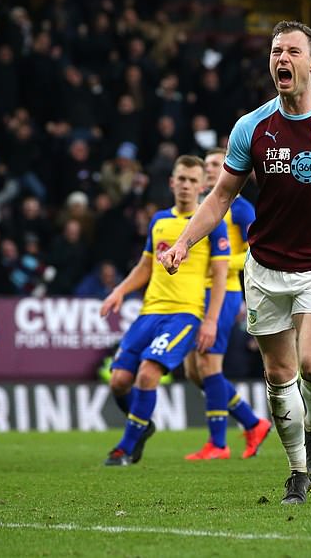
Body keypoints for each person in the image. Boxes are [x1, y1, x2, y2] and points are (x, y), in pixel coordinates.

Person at [159, 21, 311, 504]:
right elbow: (222, 194)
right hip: (265, 268)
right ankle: (297, 473)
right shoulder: (253, 126)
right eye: (274, 51)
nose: (280, 59)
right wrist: (184, 242)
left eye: (291, 51)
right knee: (278, 376)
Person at [99, 155, 230, 466]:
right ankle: (141, 425)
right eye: (181, 179)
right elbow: (146, 266)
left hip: (185, 314)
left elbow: (221, 275)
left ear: (203, 186)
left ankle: (126, 448)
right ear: (172, 182)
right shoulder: (159, 221)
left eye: (192, 180)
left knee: (148, 374)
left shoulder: (212, 223)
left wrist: (210, 320)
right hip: (149, 313)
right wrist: (120, 290)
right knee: (118, 381)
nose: (186, 185)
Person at [182, 147, 272, 461]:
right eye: (205, 163)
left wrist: (221, 262)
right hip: (194, 292)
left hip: (223, 291)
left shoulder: (242, 208)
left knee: (209, 366)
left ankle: (218, 443)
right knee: (194, 370)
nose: (209, 168)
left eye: (216, 164)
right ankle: (252, 422)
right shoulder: (202, 206)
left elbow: (255, 251)